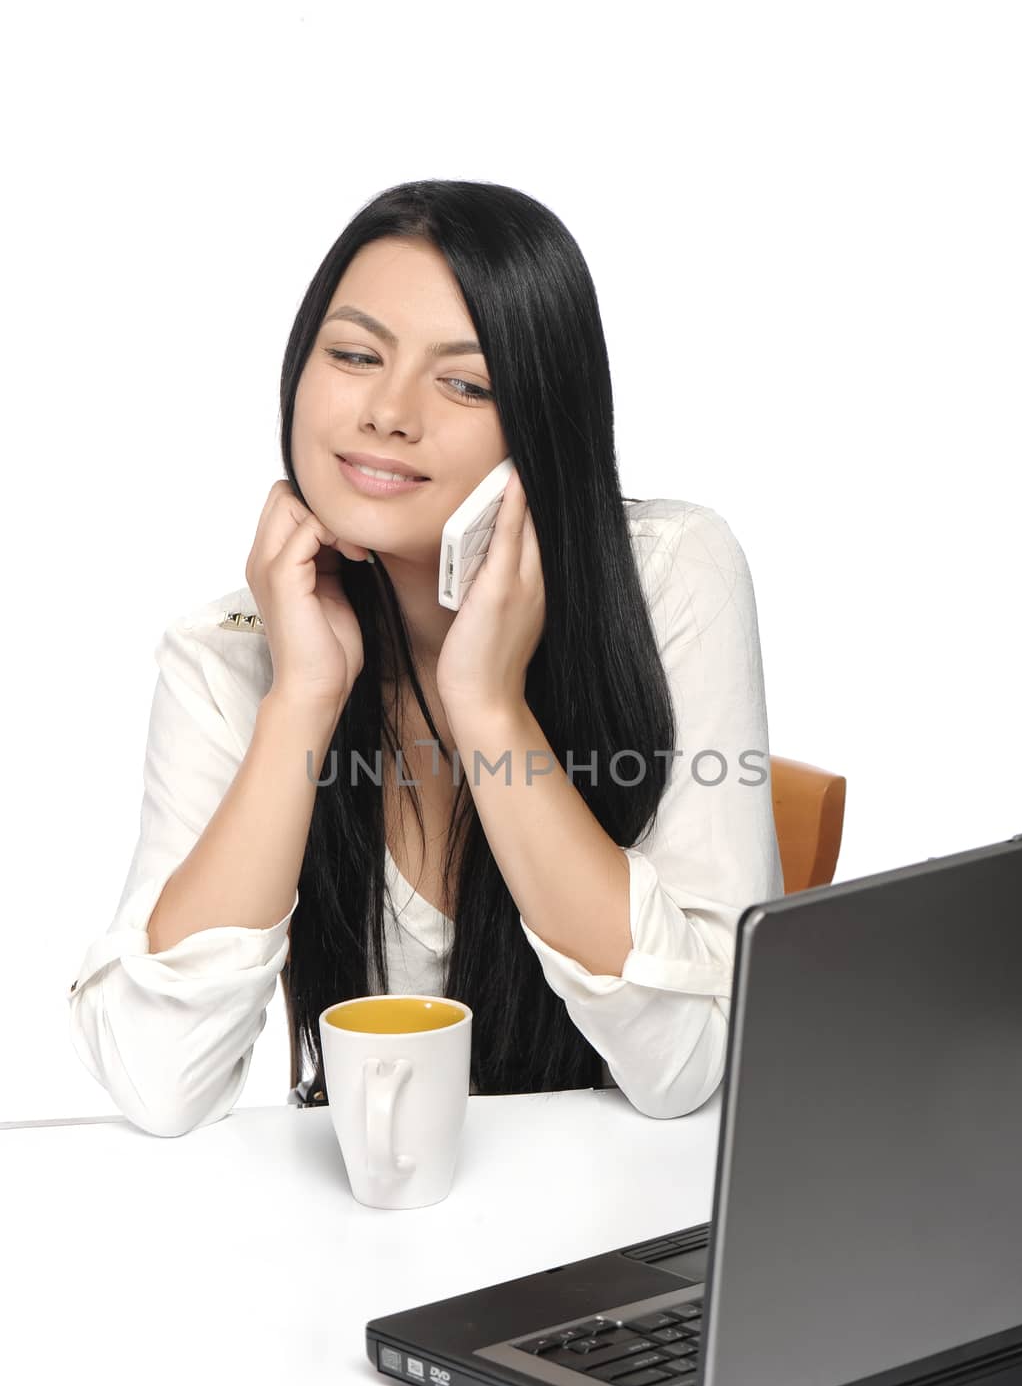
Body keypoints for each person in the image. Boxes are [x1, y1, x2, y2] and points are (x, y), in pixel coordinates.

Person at [67, 179, 784, 1139]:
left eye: (466, 382)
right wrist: (302, 701)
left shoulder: (666, 576)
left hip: (616, 1227)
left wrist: (490, 709)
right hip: (379, 1228)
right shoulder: (230, 654)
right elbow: (161, 1085)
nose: (388, 414)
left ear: (541, 417)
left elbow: (689, 1063)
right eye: (355, 355)